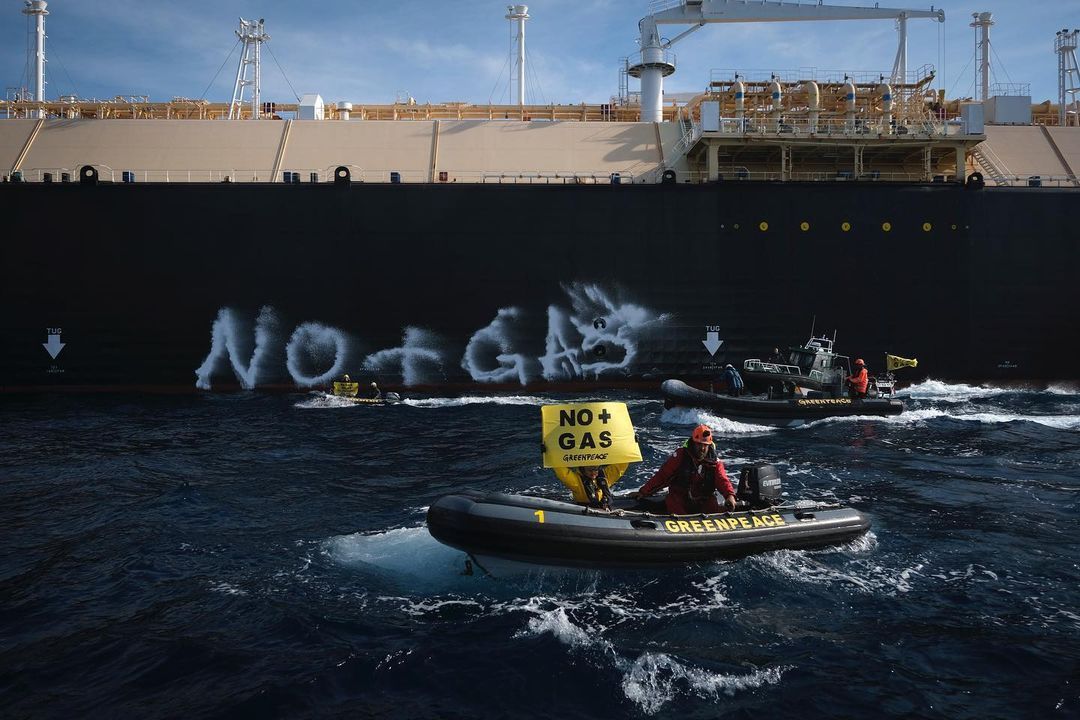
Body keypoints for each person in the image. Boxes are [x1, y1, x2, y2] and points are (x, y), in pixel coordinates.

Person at [630, 424, 736, 514]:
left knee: (712, 507)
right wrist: (644, 492)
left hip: (704, 500)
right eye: (699, 444)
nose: (702, 448)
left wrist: (730, 495)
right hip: (680, 498)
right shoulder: (680, 456)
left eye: (705, 445)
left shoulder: (715, 462)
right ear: (693, 443)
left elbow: (722, 480)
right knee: (674, 506)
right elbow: (663, 476)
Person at [553, 463, 630, 509]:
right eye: (590, 470)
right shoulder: (576, 482)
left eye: (595, 469)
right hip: (583, 511)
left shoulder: (605, 477)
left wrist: (630, 445)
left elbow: (619, 468)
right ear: (583, 470)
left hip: (604, 511)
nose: (593, 473)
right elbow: (562, 473)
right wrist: (549, 453)